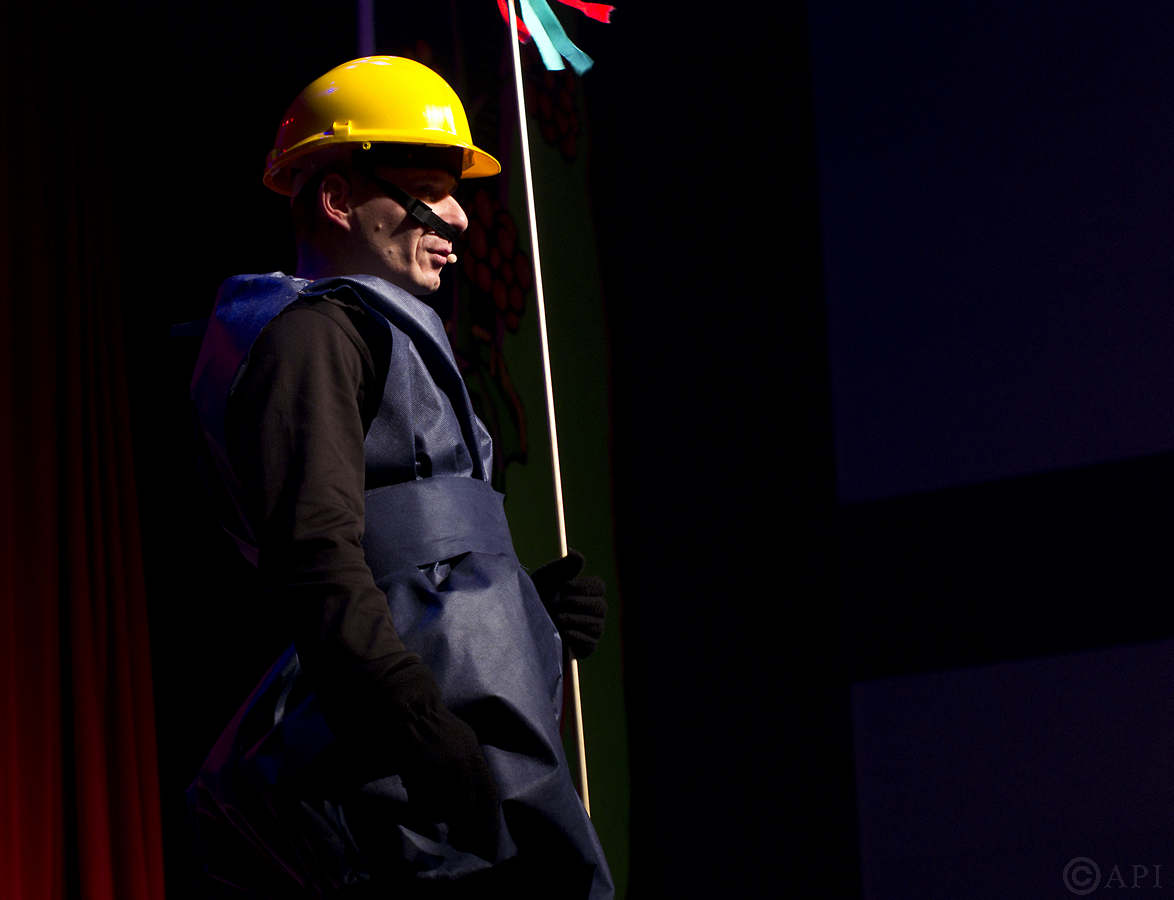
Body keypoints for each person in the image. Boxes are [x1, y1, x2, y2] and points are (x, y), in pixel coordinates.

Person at [187, 55, 613, 898]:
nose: (459, 215)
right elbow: (317, 559)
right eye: (427, 190)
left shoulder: (390, 333)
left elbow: (419, 564)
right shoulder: (313, 335)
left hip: (463, 733)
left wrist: (521, 614)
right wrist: (415, 722)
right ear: (338, 199)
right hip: (403, 765)